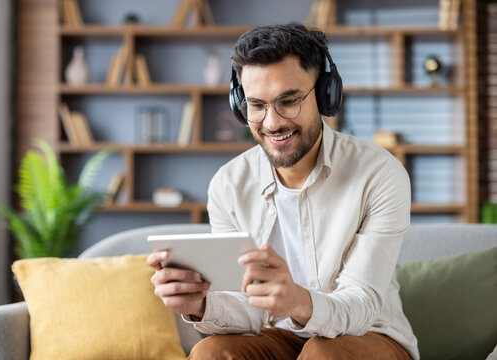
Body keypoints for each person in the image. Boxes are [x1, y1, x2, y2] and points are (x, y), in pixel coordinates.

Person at [147, 22, 419, 360]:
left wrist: (299, 301)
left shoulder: (379, 174)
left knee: (322, 354)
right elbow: (247, 307)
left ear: (324, 95)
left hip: (368, 336)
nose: (272, 122)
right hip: (279, 336)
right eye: (257, 105)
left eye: (288, 101)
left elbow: (361, 304)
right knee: (210, 353)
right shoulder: (228, 184)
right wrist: (200, 304)